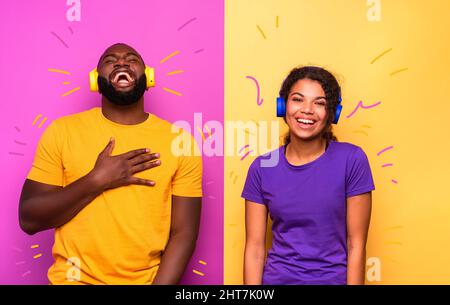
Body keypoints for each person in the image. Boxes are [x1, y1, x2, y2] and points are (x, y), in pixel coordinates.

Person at [19, 43, 202, 285]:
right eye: (110, 60)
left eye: (131, 59)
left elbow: (184, 234)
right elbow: (29, 219)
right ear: (96, 80)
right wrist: (97, 180)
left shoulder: (181, 142)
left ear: (149, 77)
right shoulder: (61, 132)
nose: (121, 63)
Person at [242, 66, 374, 285]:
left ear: (333, 113)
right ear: (282, 106)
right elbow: (255, 249)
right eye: (298, 100)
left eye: (319, 103)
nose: (307, 110)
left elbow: (356, 245)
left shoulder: (352, 160)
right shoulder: (261, 168)